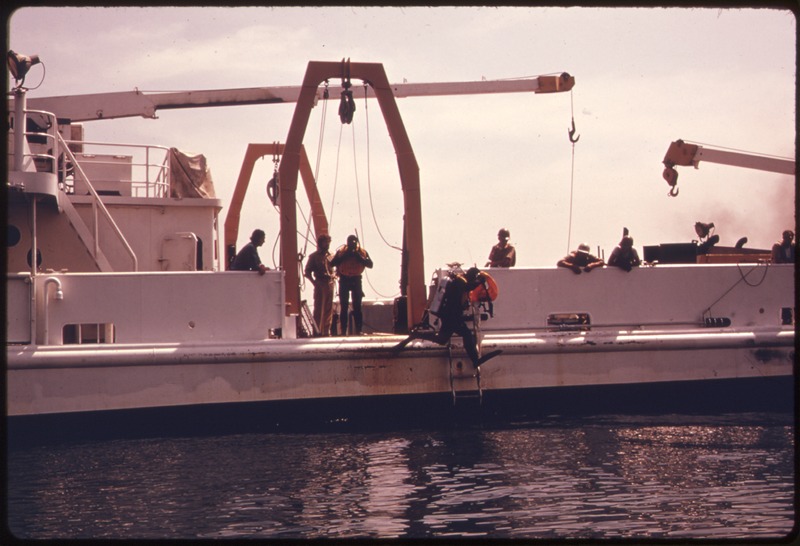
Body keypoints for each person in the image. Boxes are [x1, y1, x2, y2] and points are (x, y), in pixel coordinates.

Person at [395, 267, 502, 368]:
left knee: (442, 339)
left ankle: (414, 336)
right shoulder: (460, 281)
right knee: (467, 335)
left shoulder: (460, 280)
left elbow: (464, 291)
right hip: (452, 317)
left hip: (448, 316)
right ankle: (475, 360)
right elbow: (467, 287)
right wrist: (479, 281)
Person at [330, 234, 373, 335]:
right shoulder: (341, 252)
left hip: (356, 280)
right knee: (344, 306)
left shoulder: (362, 252)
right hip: (344, 280)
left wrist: (359, 258)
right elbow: (332, 263)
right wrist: (345, 256)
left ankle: (359, 330)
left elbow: (370, 264)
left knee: (357, 306)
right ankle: (343, 330)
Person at [304, 233, 335, 336]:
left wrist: (334, 275)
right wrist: (314, 283)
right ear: (321, 243)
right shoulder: (314, 257)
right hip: (320, 283)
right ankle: (317, 331)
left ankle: (326, 331)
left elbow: (336, 267)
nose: (328, 245)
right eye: (326, 243)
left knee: (328, 308)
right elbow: (307, 272)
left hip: (330, 282)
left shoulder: (331, 255)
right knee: (319, 309)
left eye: (329, 243)